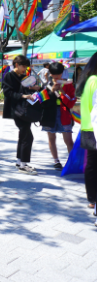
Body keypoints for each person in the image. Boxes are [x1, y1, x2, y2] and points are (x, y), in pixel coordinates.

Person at [3, 55, 41, 175]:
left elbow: (25, 90)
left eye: (26, 66)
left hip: (26, 109)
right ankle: (23, 165)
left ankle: (20, 162)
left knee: (23, 135)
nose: (25, 68)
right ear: (17, 65)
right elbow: (7, 92)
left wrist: (33, 88)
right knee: (27, 137)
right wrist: (22, 95)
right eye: (23, 66)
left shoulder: (24, 76)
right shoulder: (9, 75)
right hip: (16, 110)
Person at [40, 62, 76, 170]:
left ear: (62, 73)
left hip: (64, 113)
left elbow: (71, 103)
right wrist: (51, 90)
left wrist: (62, 91)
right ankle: (56, 161)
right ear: (50, 73)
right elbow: (42, 101)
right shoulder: (47, 84)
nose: (56, 76)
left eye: (58, 74)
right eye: (53, 73)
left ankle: (72, 162)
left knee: (68, 140)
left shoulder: (68, 84)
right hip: (50, 114)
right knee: (51, 137)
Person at [76, 53, 97, 219]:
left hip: (87, 127)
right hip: (93, 128)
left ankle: (91, 198)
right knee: (92, 164)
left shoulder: (89, 80)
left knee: (91, 164)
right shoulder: (95, 81)